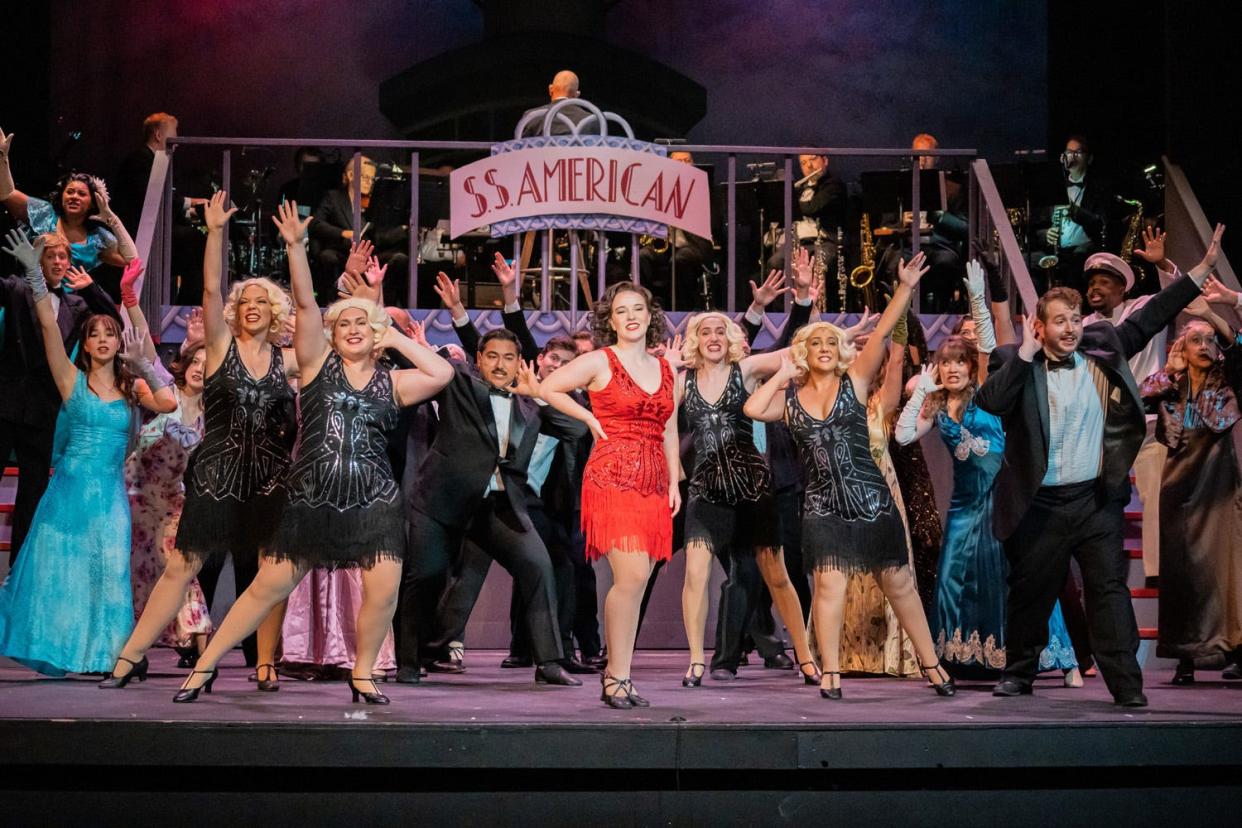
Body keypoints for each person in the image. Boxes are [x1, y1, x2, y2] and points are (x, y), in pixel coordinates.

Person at [171, 200, 454, 705]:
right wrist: (298, 248)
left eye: (359, 326)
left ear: (374, 337)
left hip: (373, 500)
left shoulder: (395, 381)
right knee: (266, 588)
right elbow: (304, 306)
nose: (350, 330)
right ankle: (206, 666)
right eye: (342, 324)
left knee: (384, 590)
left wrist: (392, 333)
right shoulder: (317, 366)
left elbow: (443, 373)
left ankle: (362, 673)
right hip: (313, 498)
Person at [976, 224, 1224, 707]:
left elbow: (1152, 316)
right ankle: (1020, 672)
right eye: (1060, 321)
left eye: (1074, 319)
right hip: (1040, 504)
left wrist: (1199, 273)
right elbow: (990, 401)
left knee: (1109, 593)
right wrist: (1025, 351)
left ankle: (1126, 685)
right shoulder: (1017, 361)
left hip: (1094, 501)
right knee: (1031, 592)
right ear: (1040, 326)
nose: (1070, 328)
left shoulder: (1102, 347)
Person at [101, 191, 297, 691]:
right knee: (183, 567)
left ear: (275, 312)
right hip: (218, 471)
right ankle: (129, 657)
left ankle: (264, 663)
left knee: (269, 574)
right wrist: (214, 233)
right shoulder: (222, 348)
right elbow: (211, 290)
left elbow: (321, 332)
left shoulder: (288, 361)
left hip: (271, 478)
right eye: (245, 302)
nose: (252, 308)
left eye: (261, 302)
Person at [745, 251, 956, 700]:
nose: (823, 348)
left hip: (873, 502)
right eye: (814, 343)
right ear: (804, 351)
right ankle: (831, 673)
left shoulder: (855, 382)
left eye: (829, 343)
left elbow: (880, 334)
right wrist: (781, 373)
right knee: (828, 587)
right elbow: (752, 408)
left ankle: (932, 665)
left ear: (839, 351)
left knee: (900, 585)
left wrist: (904, 288)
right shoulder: (791, 401)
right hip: (823, 508)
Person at [0, 229, 176, 676]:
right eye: (95, 334)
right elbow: (45, 323)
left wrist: (145, 367)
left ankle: (110, 654)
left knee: (108, 571)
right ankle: (69, 649)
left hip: (109, 496)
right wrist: (34, 277)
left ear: (119, 343)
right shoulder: (69, 379)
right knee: (63, 573)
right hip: (68, 493)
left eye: (109, 335)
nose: (101, 340)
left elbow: (169, 403)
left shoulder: (129, 385)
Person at [896, 262, 1080, 684]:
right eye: (947, 364)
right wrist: (922, 390)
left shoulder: (986, 394)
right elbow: (905, 436)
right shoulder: (938, 407)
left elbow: (988, 350)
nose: (955, 369)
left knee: (1023, 581)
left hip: (1002, 505)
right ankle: (960, 659)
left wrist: (979, 298)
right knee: (952, 583)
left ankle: (1063, 659)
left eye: (960, 363)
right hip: (964, 510)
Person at [394, 310, 589, 688]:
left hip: (498, 506)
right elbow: (419, 364)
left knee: (538, 566)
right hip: (442, 502)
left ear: (520, 363)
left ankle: (548, 662)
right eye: (493, 356)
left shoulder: (530, 404)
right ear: (479, 360)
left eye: (509, 357)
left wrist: (542, 396)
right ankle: (410, 659)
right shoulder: (460, 385)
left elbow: (577, 428)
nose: (501, 365)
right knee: (428, 575)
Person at [534, 282, 679, 707]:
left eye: (639, 308)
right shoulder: (600, 360)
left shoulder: (667, 369)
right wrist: (589, 420)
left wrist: (673, 481)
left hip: (654, 481)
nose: (631, 316)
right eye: (622, 310)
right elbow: (548, 388)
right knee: (630, 577)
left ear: (651, 315)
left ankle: (622, 676)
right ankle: (614, 677)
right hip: (613, 476)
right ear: (610, 320)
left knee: (637, 583)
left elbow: (669, 428)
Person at [675, 309, 818, 688]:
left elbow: (795, 351)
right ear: (696, 340)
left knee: (777, 576)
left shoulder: (748, 369)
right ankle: (694, 661)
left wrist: (838, 334)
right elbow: (661, 423)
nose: (714, 337)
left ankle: (804, 656)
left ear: (731, 338)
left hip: (752, 487)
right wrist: (673, 474)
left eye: (721, 331)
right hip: (705, 490)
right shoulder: (682, 381)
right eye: (706, 332)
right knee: (695, 573)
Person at [1140, 284, 1242, 685]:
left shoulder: (1229, 381)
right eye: (1194, 339)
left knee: (1224, 572)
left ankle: (1232, 650)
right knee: (1182, 574)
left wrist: (1216, 315)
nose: (1203, 345)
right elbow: (1144, 393)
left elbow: (1239, 347)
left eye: (1209, 340)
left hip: (1217, 490)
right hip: (1178, 492)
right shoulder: (1172, 385)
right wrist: (1170, 368)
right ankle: (1185, 657)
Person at [0, 231, 120, 565]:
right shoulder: (17, 288)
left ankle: (18, 570)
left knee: (33, 494)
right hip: (6, 402)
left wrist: (91, 287)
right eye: (50, 256)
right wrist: (26, 268)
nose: (57, 262)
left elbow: (113, 318)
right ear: (38, 260)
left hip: (43, 408)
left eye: (62, 257)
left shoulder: (76, 304)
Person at [1082, 229, 1179, 588]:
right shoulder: (1082, 328)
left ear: (1122, 289)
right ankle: (1102, 567)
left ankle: (1155, 572)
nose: (1095, 289)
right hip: (1106, 430)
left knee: (1155, 493)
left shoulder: (1141, 311)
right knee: (1099, 499)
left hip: (1149, 423)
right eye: (1091, 283)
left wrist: (1162, 264)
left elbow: (1174, 296)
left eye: (1104, 282)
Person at [124, 340, 213, 667]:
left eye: (208, 363)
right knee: (138, 570)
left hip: (173, 499)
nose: (200, 368)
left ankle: (202, 651)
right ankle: (133, 647)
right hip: (136, 493)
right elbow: (144, 358)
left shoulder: (211, 413)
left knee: (181, 569)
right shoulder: (166, 395)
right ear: (185, 364)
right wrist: (132, 300)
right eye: (196, 361)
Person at [1, 128, 137, 290]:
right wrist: (3, 159)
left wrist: (111, 218)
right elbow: (7, 193)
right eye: (70, 192)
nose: (74, 197)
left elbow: (131, 260)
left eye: (81, 194)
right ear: (62, 196)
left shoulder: (97, 239)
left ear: (93, 203)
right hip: (31, 296)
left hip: (71, 307)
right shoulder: (44, 213)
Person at [110, 112, 210, 304]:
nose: (177, 141)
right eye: (174, 134)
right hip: (138, 235)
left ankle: (188, 300)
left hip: (155, 232)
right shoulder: (139, 161)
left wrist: (190, 212)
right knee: (196, 241)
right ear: (158, 135)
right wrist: (190, 203)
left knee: (195, 240)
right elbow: (151, 200)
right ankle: (188, 303)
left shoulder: (158, 163)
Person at [309, 155, 410, 305]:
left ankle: (386, 304)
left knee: (399, 259)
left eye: (372, 178)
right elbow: (315, 223)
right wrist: (343, 233)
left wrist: (403, 229)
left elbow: (381, 237)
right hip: (343, 252)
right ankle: (331, 303)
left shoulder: (375, 203)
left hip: (369, 254)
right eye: (365, 177)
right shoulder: (333, 197)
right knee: (327, 257)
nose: (369, 182)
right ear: (350, 176)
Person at [638, 150, 716, 312]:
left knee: (679, 260)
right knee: (643, 256)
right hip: (666, 243)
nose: (682, 165)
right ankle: (647, 305)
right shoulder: (658, 188)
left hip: (694, 244)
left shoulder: (703, 189)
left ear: (693, 164)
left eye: (686, 161)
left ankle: (682, 309)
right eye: (677, 162)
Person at [766, 153, 847, 273]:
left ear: (825, 161)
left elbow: (813, 207)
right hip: (798, 242)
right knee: (775, 262)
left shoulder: (833, 185)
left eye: (813, 159)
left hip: (824, 241)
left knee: (820, 264)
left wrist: (789, 200)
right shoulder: (800, 188)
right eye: (803, 163)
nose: (809, 165)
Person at [519, 70, 598, 137]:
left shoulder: (531, 116)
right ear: (576, 95)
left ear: (550, 89)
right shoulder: (591, 120)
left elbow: (521, 151)